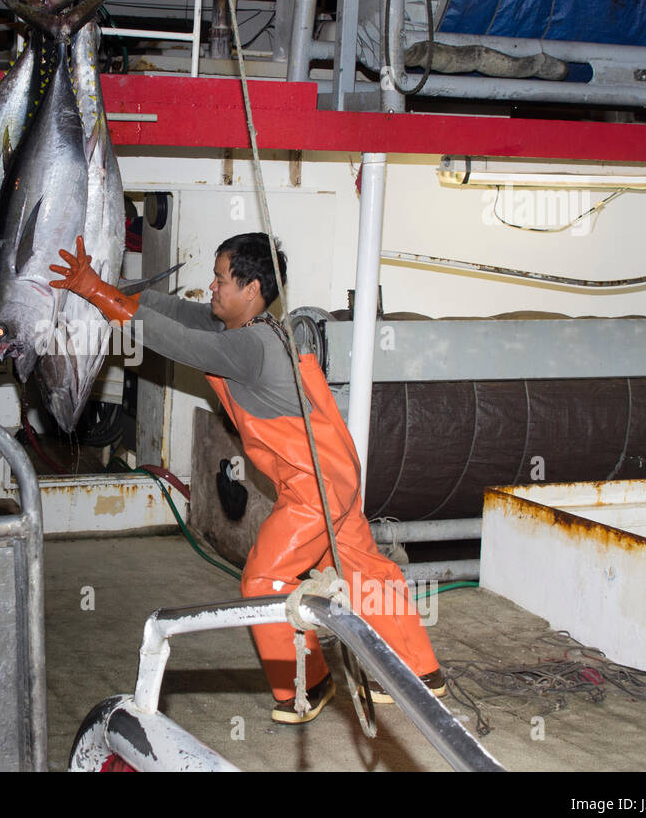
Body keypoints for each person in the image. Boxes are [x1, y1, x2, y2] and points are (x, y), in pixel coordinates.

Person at [51, 231, 444, 724]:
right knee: (365, 567)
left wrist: (93, 291)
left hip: (312, 487)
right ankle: (420, 671)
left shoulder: (249, 349)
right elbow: (168, 314)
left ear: (252, 288)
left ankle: (309, 683)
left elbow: (164, 337)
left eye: (219, 280)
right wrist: (103, 284)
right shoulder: (250, 329)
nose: (210, 289)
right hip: (335, 474)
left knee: (265, 576)